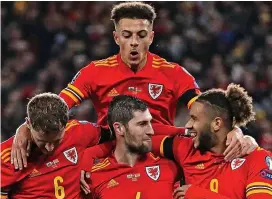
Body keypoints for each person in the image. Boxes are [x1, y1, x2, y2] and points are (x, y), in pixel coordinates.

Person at [11, 1, 248, 170]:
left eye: (141, 35)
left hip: (161, 161)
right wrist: (26, 126)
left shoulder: (174, 73)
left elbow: (206, 112)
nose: (134, 42)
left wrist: (235, 130)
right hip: (111, 161)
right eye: (126, 35)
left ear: (151, 37)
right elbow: (58, 107)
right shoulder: (95, 72)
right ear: (116, 37)